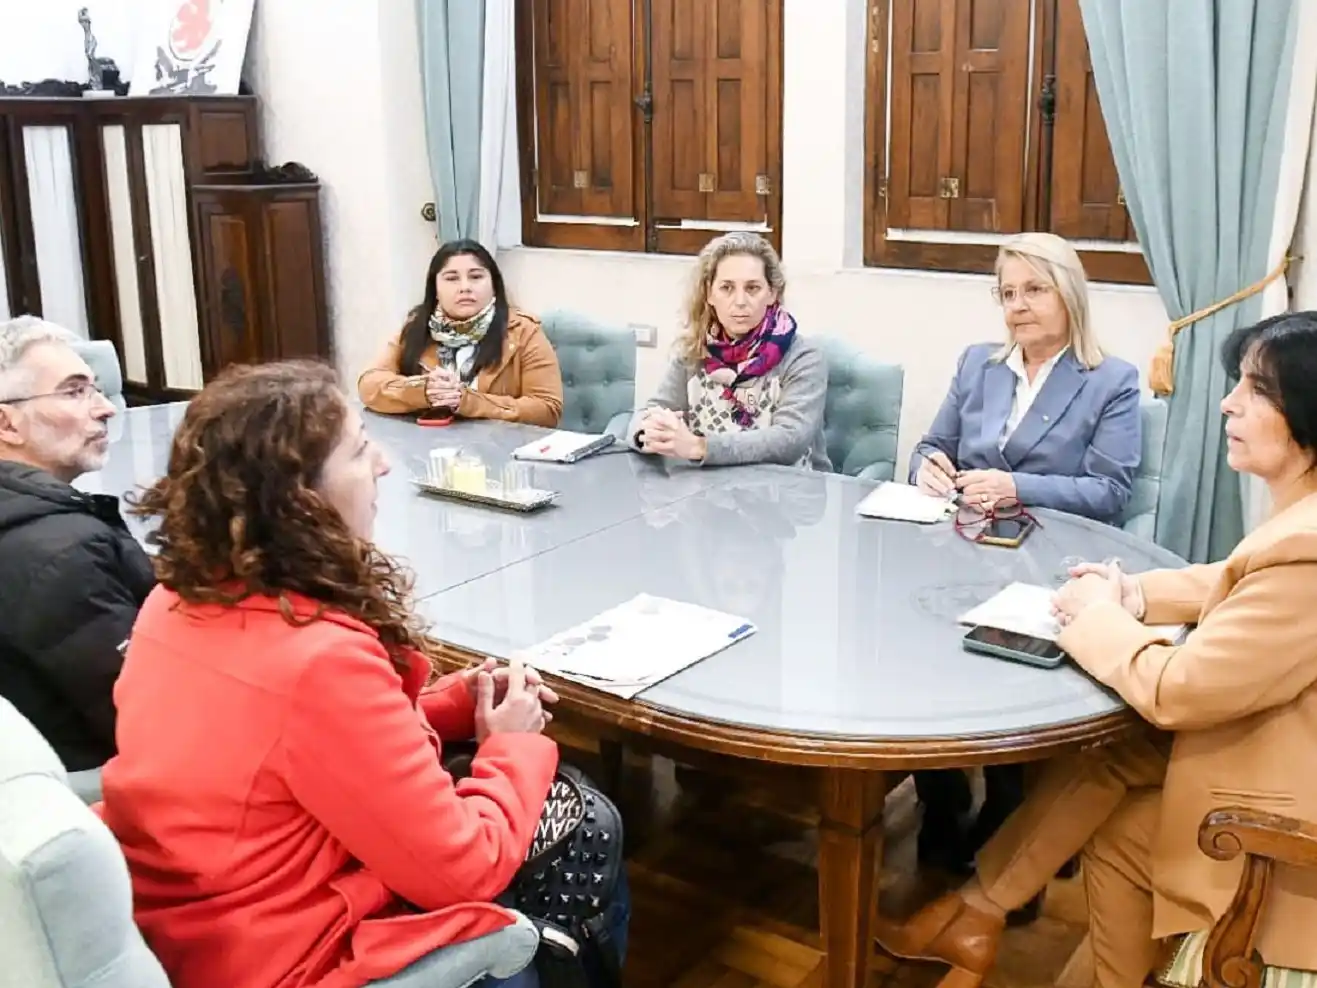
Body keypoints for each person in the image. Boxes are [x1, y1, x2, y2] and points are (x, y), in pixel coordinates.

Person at [100, 360, 626, 988]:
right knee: (584, 824)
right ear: (303, 500)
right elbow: (465, 868)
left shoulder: (174, 599)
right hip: (283, 954)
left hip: (182, 928)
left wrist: (451, 705)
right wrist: (510, 742)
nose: (382, 463)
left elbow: (295, 751)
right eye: (359, 449)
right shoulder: (317, 660)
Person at [875, 311, 1317, 987]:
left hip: (1276, 812)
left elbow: (1177, 691)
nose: (1227, 402)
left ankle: (978, 915)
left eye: (1255, 390)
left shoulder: (1306, 552)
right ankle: (973, 913)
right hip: (1278, 752)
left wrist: (1095, 617)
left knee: (1123, 796)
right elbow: (1234, 579)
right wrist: (1133, 594)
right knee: (1113, 753)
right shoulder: (1299, 525)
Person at [910, 232, 1142, 881]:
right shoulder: (977, 364)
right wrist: (926, 466)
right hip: (961, 545)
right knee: (918, 648)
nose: (1018, 305)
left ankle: (1011, 809)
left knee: (1003, 675)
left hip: (1051, 554)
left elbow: (1109, 492)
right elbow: (931, 444)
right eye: (1007, 293)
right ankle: (939, 793)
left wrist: (1017, 485)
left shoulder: (1110, 381)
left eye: (1033, 289)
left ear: (1068, 294)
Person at [0, 315, 154, 772]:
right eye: (75, 391)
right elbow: (148, 716)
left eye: (96, 389)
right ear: (7, 423)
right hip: (94, 783)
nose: (106, 407)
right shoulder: (62, 556)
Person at [627, 232, 830, 470]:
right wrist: (649, 433)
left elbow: (789, 440)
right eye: (727, 288)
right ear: (709, 293)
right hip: (710, 491)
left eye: (752, 288)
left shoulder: (803, 356)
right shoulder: (693, 350)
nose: (740, 301)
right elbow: (648, 413)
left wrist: (699, 447)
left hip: (788, 494)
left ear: (772, 293)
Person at [358, 240, 563, 427]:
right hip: (430, 451)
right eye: (452, 278)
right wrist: (422, 391)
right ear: (435, 288)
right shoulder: (416, 328)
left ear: (494, 285)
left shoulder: (523, 332)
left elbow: (547, 410)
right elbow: (369, 385)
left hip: (501, 454)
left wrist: (469, 401)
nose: (465, 287)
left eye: (476, 277)